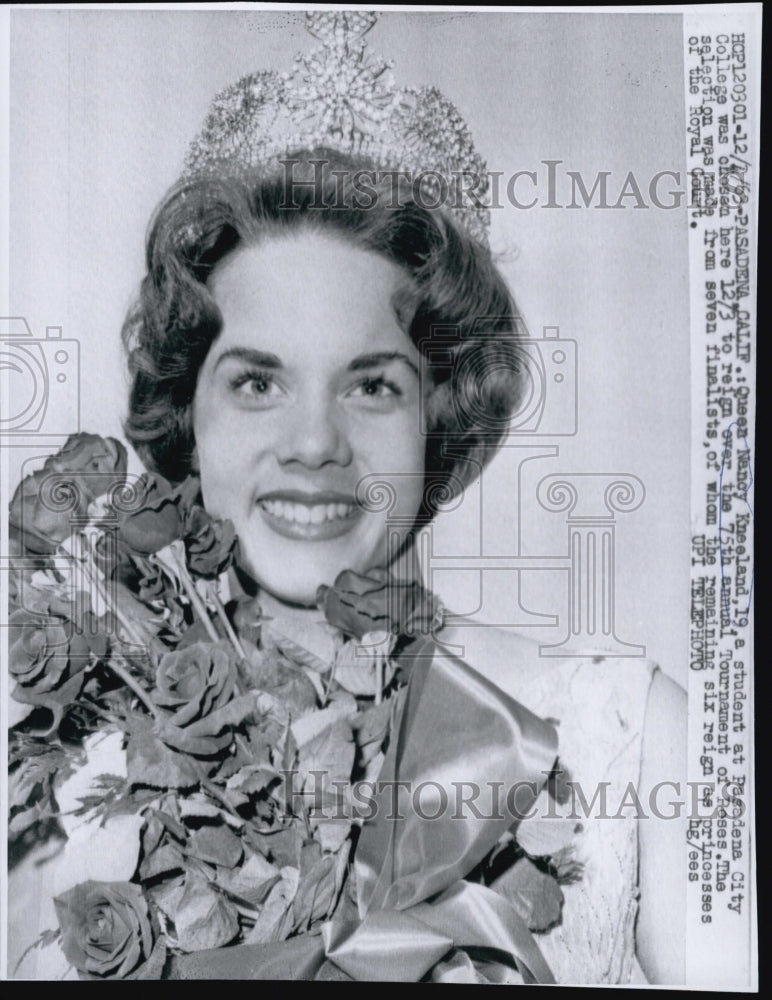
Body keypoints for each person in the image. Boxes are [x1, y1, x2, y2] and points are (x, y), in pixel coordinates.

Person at [117, 13, 687, 985]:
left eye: (372, 383)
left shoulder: (628, 734)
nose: (313, 444)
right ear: (189, 411)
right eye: (257, 380)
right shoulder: (61, 770)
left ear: (440, 411)